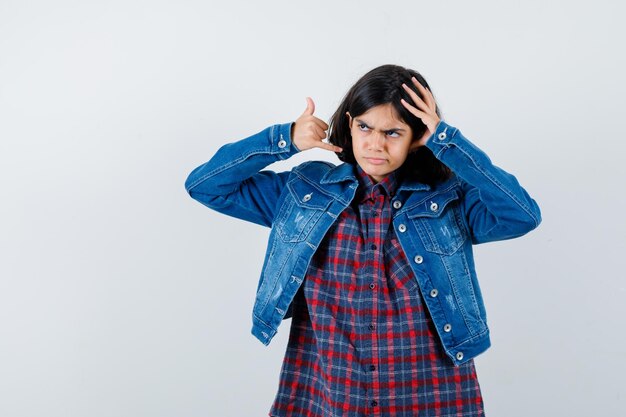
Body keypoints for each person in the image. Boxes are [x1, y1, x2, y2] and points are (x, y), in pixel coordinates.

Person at [185, 64, 541, 416]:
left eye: (393, 133)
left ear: (417, 138)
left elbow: (521, 214)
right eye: (365, 127)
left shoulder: (446, 200)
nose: (374, 144)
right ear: (350, 124)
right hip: (329, 389)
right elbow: (205, 186)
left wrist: (447, 141)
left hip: (428, 389)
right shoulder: (303, 193)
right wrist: (284, 139)